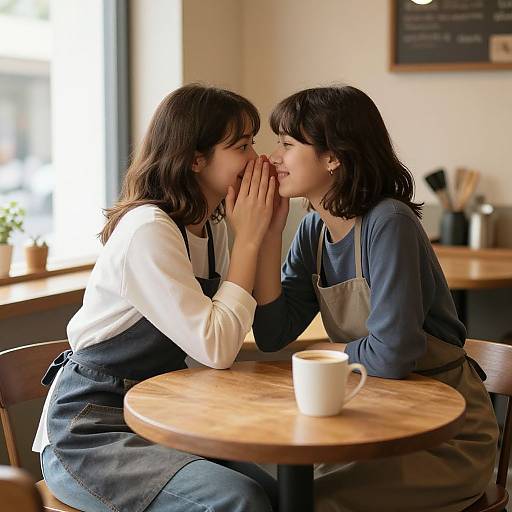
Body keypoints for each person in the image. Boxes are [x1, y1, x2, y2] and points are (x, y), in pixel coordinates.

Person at [252, 85, 498, 512]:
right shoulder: (312, 232)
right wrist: (269, 235)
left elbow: (393, 354)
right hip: (371, 419)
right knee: (261, 489)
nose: (275, 157)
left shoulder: (389, 222)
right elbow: (272, 333)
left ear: (333, 157)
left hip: (442, 435)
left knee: (307, 502)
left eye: (288, 144)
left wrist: (326, 353)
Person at [33, 84, 278, 512]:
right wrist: (250, 242)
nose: (256, 159)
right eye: (241, 146)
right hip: (90, 429)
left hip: (158, 413)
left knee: (283, 489)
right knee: (238, 499)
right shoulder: (149, 229)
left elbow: (214, 346)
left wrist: (255, 234)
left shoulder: (212, 227)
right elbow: (217, 348)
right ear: (195, 158)